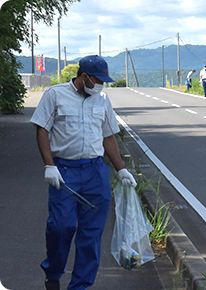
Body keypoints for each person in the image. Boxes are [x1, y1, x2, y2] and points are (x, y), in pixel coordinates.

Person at [30, 55, 137, 290]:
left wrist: (121, 170)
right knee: (61, 227)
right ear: (84, 77)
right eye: (98, 80)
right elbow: (42, 130)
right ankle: (54, 272)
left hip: (95, 172)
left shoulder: (102, 100)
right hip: (65, 171)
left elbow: (108, 136)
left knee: (91, 235)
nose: (102, 86)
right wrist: (49, 165)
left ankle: (80, 286)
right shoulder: (55, 95)